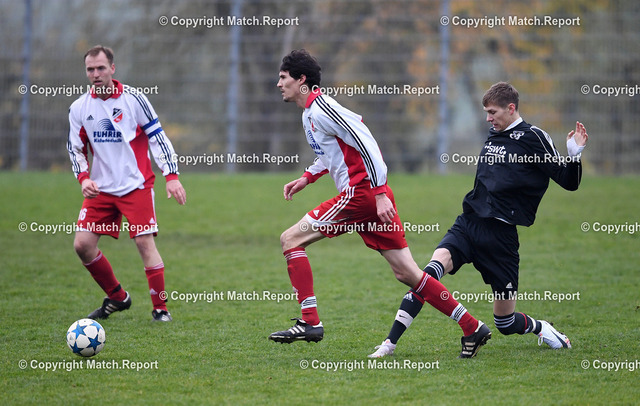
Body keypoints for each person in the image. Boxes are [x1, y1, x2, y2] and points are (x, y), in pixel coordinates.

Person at [268, 49, 491, 358]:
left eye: (283, 78)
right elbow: (332, 154)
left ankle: (310, 322)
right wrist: (307, 177)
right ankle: (471, 326)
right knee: (407, 273)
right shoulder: (309, 114)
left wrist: (380, 191)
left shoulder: (322, 109)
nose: (279, 84)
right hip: (368, 197)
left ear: (301, 80)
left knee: (290, 239)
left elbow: (366, 144)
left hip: (360, 196)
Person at [369, 81, 588, 358]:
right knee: (425, 276)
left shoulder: (534, 137)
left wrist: (574, 155)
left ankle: (540, 327)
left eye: (493, 112)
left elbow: (569, 182)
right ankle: (389, 344)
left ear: (511, 108)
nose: (488, 118)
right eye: (486, 112)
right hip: (468, 224)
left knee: (505, 323)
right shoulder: (493, 134)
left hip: (501, 238)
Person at [67, 45, 186, 322]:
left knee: (144, 243)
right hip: (100, 189)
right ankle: (118, 297)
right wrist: (84, 178)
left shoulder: (134, 99)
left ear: (112, 68)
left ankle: (160, 309)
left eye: (101, 68)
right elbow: (75, 149)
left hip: (136, 185)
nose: (95, 74)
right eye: (90, 69)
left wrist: (171, 176)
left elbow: (157, 136)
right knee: (82, 245)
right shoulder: (79, 107)